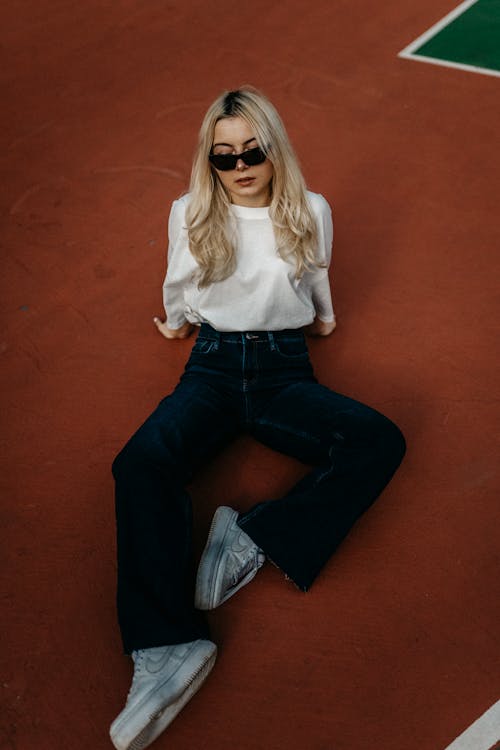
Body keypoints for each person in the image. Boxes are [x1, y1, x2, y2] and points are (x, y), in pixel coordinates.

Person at [109, 86, 406, 750]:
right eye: (225, 157)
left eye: (254, 152)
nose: (241, 166)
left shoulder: (310, 208)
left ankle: (253, 538)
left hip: (282, 370)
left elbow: (315, 271)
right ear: (209, 161)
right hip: (210, 369)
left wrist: (324, 317)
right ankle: (166, 645)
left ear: (274, 150)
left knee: (378, 440)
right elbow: (179, 281)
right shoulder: (188, 210)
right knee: (139, 465)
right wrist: (176, 321)